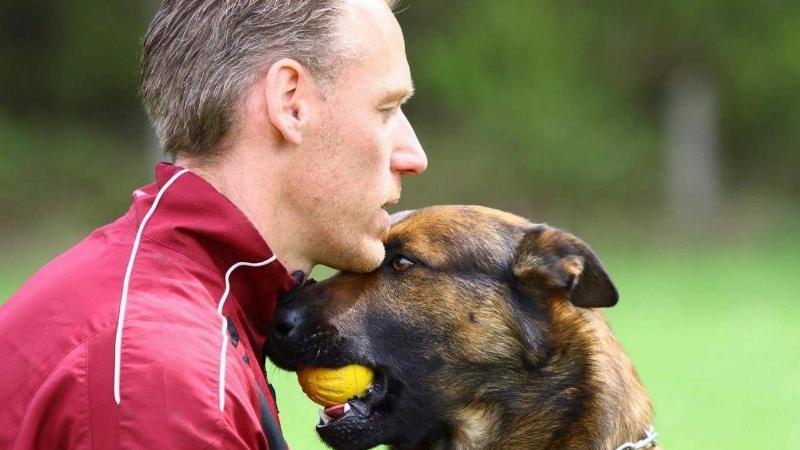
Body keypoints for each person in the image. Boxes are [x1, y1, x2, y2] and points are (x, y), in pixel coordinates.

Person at [0, 0, 426, 448]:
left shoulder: (171, 307)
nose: (414, 155)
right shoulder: (164, 375)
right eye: (386, 109)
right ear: (290, 103)